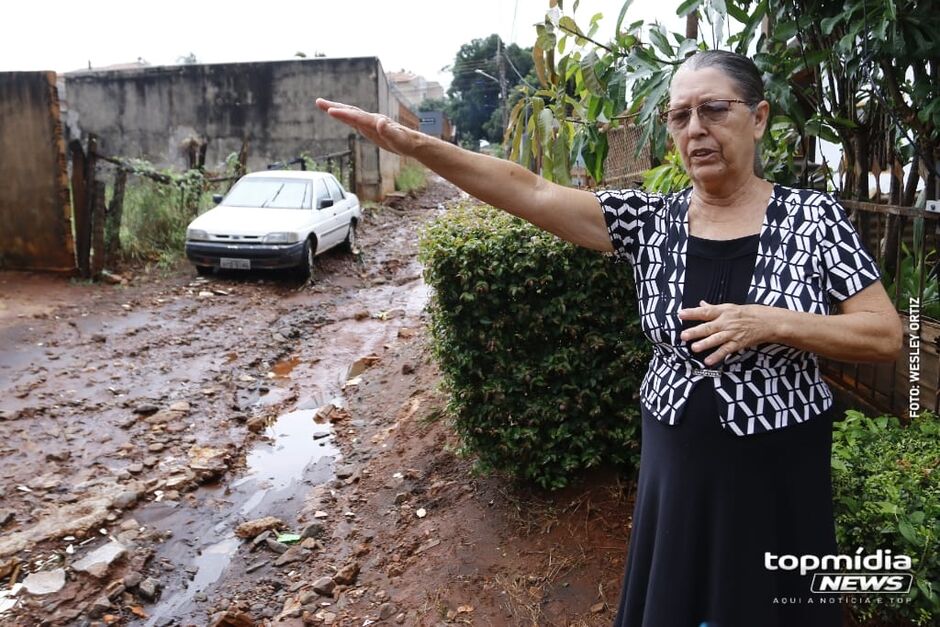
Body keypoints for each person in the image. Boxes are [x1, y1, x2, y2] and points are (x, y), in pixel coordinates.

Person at [317, 50, 902, 627]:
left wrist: (772, 321)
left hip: (778, 466)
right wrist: (416, 145)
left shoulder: (814, 219)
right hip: (678, 459)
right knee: (675, 596)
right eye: (679, 116)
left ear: (759, 116)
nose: (695, 129)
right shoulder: (651, 222)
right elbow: (532, 192)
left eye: (714, 110)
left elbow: (883, 336)